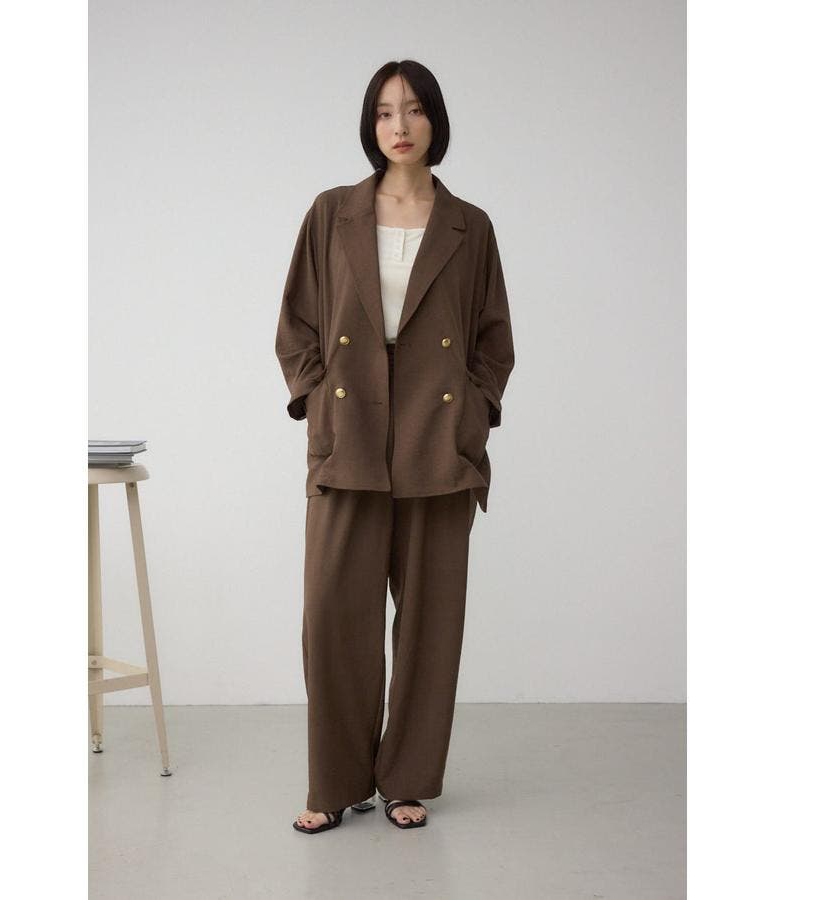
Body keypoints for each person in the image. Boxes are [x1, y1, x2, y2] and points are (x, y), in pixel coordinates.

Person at [275, 59, 515, 834]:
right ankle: (335, 782)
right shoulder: (332, 213)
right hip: (349, 439)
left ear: (435, 119)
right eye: (384, 112)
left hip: (436, 444)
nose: (399, 126)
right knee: (332, 618)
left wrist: (473, 412)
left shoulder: (469, 226)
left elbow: (493, 339)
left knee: (428, 629)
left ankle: (407, 779)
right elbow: (297, 324)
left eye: (413, 110)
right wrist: (316, 400)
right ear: (369, 124)